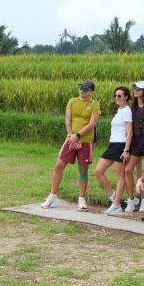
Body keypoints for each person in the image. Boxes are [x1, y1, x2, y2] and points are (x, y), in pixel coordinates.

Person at [42, 80, 101, 211]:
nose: (81, 90)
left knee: (83, 171)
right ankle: (52, 195)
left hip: (85, 141)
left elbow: (92, 124)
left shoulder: (94, 104)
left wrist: (78, 135)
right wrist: (70, 136)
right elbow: (68, 119)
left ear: (91, 92)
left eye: (85, 89)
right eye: (80, 87)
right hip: (71, 139)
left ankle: (81, 199)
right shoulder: (72, 101)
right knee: (58, 166)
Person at [94, 86, 133, 215]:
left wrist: (126, 149)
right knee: (98, 171)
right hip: (112, 144)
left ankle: (116, 205)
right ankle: (113, 196)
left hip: (120, 145)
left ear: (126, 97)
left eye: (119, 95)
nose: (116, 98)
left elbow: (130, 132)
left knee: (120, 176)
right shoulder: (119, 110)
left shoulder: (127, 111)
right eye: (115, 95)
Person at [124, 81, 144, 214]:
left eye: (138, 89)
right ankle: (131, 199)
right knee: (128, 170)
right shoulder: (132, 106)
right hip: (135, 142)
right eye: (134, 88)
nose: (135, 91)